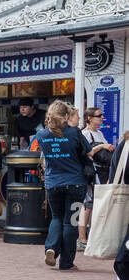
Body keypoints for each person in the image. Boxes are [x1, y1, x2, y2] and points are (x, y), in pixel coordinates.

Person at [35, 101, 91, 270]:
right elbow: (87, 152)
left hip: (53, 184)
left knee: (57, 218)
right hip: (75, 183)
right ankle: (66, 262)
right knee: (71, 223)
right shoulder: (74, 132)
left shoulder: (42, 135)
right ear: (66, 116)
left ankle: (51, 247)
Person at [79, 107, 112, 249]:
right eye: (99, 115)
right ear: (90, 118)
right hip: (92, 172)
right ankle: (82, 238)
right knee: (89, 205)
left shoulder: (99, 133)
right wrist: (103, 146)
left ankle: (92, 236)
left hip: (102, 170)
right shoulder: (85, 134)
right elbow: (87, 153)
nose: (102, 117)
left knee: (96, 205)